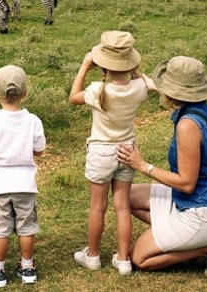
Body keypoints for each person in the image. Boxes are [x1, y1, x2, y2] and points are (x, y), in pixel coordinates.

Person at [116, 56, 207, 284]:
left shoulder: (187, 126)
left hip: (203, 213)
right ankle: (179, 235)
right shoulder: (198, 107)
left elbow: (186, 183)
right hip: (197, 200)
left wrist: (142, 165)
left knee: (139, 258)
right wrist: (134, 71)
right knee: (125, 196)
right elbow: (157, 86)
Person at [69, 31, 155, 275]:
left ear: (103, 65)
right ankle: (124, 259)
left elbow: (73, 97)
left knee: (98, 207)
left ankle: (93, 256)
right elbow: (148, 82)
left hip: (100, 151)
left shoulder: (98, 89)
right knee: (122, 207)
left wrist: (85, 67)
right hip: (127, 151)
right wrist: (135, 69)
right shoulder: (139, 88)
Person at [0, 65, 46, 287]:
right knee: (27, 228)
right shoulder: (33, 120)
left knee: (1, 230)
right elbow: (40, 148)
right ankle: (27, 268)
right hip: (25, 184)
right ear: (25, 93)